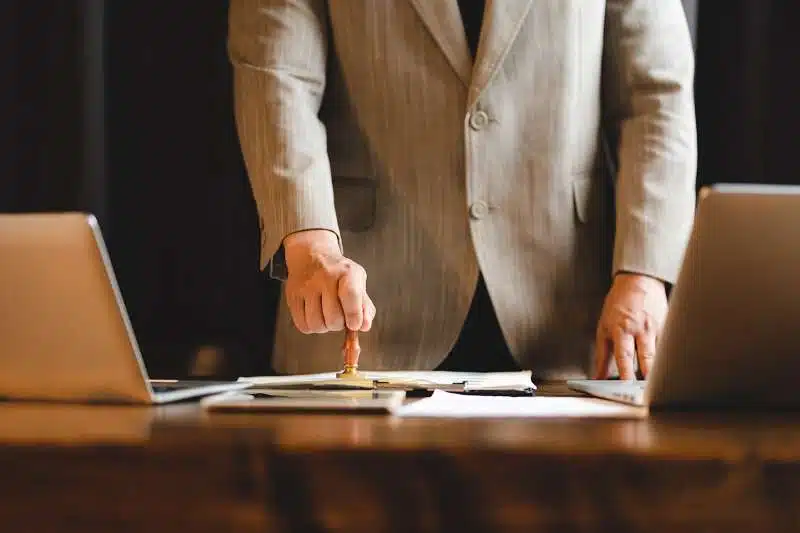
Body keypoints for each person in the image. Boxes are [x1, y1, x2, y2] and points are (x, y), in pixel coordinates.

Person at [228, 0, 697, 380]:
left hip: (569, 323)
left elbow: (654, 94)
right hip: (362, 312)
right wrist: (309, 242)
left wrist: (643, 272)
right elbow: (276, 72)